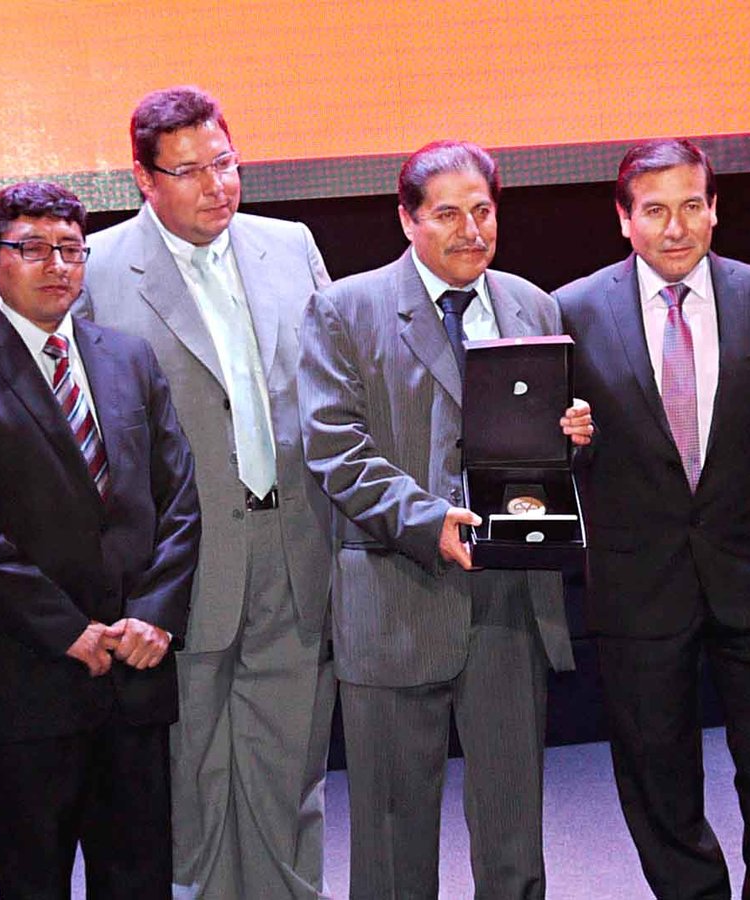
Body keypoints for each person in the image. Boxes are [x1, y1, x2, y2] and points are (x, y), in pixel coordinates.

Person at [297, 140, 591, 899]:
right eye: (448, 214)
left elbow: (536, 446)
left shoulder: (534, 305)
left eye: (483, 211)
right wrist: (428, 522)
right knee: (392, 845)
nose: (471, 230)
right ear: (408, 220)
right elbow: (334, 448)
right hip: (394, 593)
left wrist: (571, 436)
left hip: (509, 597)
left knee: (513, 838)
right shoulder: (346, 308)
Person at [76, 85, 336, 899]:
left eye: (225, 163)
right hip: (176, 568)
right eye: (189, 171)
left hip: (293, 547)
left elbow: (336, 389)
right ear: (144, 179)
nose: (216, 186)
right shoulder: (97, 269)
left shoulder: (290, 245)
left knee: (290, 777)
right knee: (190, 784)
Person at [0, 181, 200, 897]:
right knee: (35, 878)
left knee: (140, 877)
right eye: (33, 248)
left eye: (71, 249)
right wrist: (67, 630)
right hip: (29, 679)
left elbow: (179, 499)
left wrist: (156, 616)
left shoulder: (129, 356)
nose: (57, 265)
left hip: (134, 667)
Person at [554, 138, 750, 900]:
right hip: (638, 582)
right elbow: (553, 447)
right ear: (623, 219)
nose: (675, 228)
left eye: (691, 206)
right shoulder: (571, 309)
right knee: (657, 777)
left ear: (714, 210)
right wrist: (566, 440)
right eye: (654, 210)